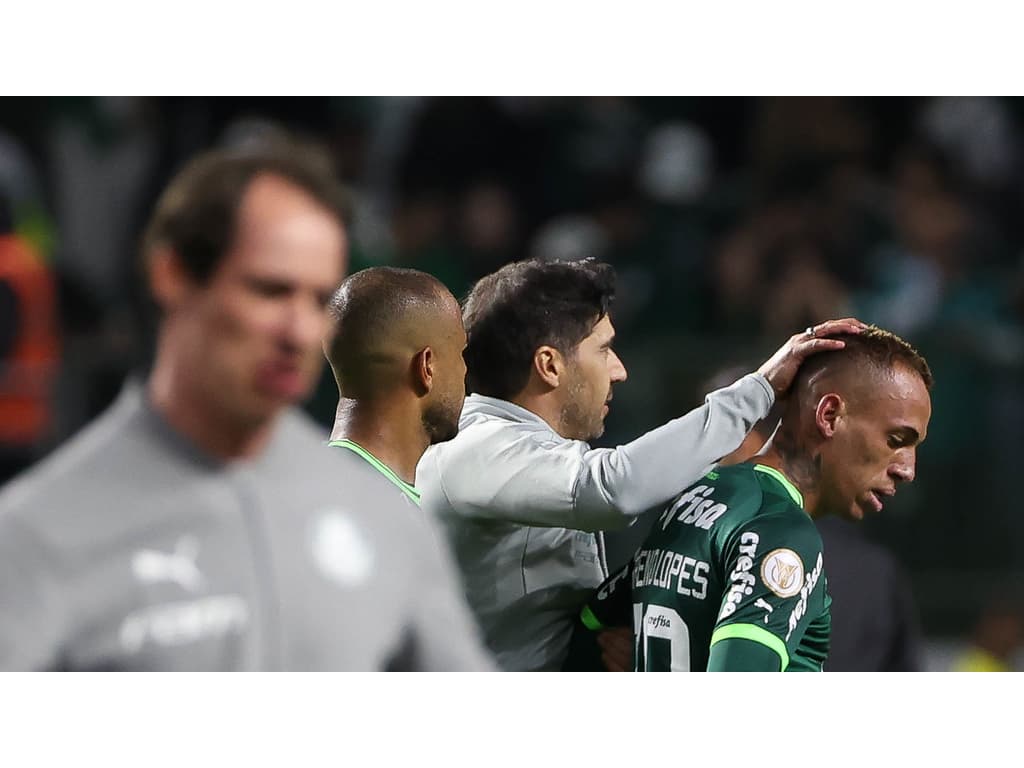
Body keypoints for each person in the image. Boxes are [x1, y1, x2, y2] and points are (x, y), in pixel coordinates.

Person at [0, 142, 469, 670]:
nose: (298, 332)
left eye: (318, 300)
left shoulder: (382, 514)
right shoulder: (38, 535)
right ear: (172, 275)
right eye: (270, 291)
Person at [415, 256, 864, 671]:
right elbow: (615, 488)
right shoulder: (471, 450)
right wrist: (757, 391)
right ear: (550, 366)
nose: (619, 370)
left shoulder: (525, 451)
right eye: (603, 349)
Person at [578, 325, 933, 671]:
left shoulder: (695, 498)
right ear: (829, 415)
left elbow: (588, 627)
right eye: (896, 440)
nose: (908, 469)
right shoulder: (782, 534)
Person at [322, 266, 493, 670]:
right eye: (462, 354)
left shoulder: (332, 491)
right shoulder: (368, 516)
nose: (467, 374)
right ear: (427, 366)